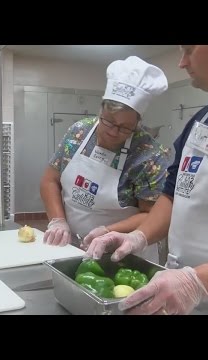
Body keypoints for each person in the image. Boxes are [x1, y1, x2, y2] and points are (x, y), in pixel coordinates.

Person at [84, 45, 208, 315]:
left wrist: (197, 282)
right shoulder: (204, 119)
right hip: (178, 298)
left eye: (189, 49)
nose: (182, 63)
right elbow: (174, 194)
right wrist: (139, 236)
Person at [40, 56, 170, 264]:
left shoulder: (149, 154)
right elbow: (50, 180)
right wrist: (58, 221)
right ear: (100, 109)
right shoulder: (79, 133)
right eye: (108, 121)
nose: (113, 132)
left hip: (125, 254)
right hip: (73, 246)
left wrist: (108, 231)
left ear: (138, 122)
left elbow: (152, 214)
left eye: (124, 127)